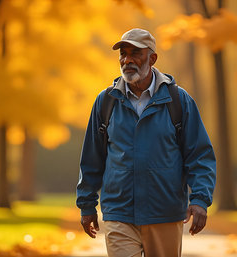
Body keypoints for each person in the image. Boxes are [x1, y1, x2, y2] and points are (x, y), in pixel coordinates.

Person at [76, 28, 216, 257]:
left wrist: (200, 199)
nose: (127, 59)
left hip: (164, 213)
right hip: (119, 212)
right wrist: (86, 204)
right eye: (123, 53)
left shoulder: (178, 101)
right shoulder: (106, 101)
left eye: (135, 53)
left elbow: (200, 156)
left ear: (152, 58)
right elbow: (92, 158)